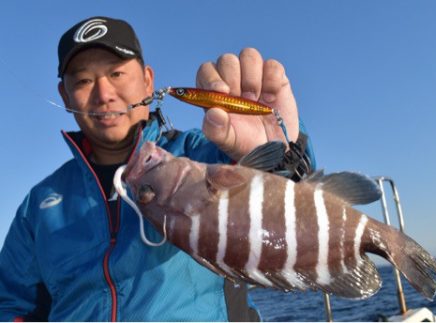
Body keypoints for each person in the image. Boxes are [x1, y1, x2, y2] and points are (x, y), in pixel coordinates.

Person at [0, 16, 315, 321]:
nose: (104, 94)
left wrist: (281, 152)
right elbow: (11, 304)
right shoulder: (38, 205)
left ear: (148, 81)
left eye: (117, 74)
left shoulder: (204, 155)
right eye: (83, 80)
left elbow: (287, 206)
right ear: (64, 95)